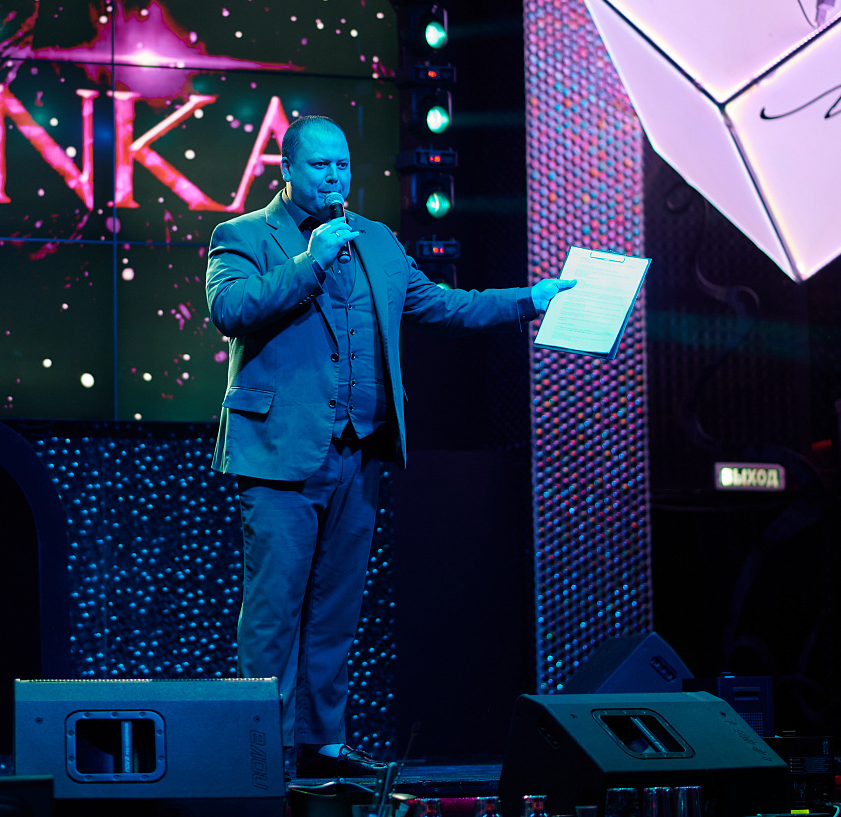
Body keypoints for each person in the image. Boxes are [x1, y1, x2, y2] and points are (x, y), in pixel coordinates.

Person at [205, 115, 574, 779]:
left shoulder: (377, 240)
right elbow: (231, 311)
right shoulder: (243, 235)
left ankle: (322, 745)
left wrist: (529, 299)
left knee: (335, 610)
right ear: (286, 169)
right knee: (271, 614)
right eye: (320, 166)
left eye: (343, 165)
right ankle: (260, 755)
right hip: (279, 454)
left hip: (359, 453)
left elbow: (444, 307)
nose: (335, 177)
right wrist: (309, 263)